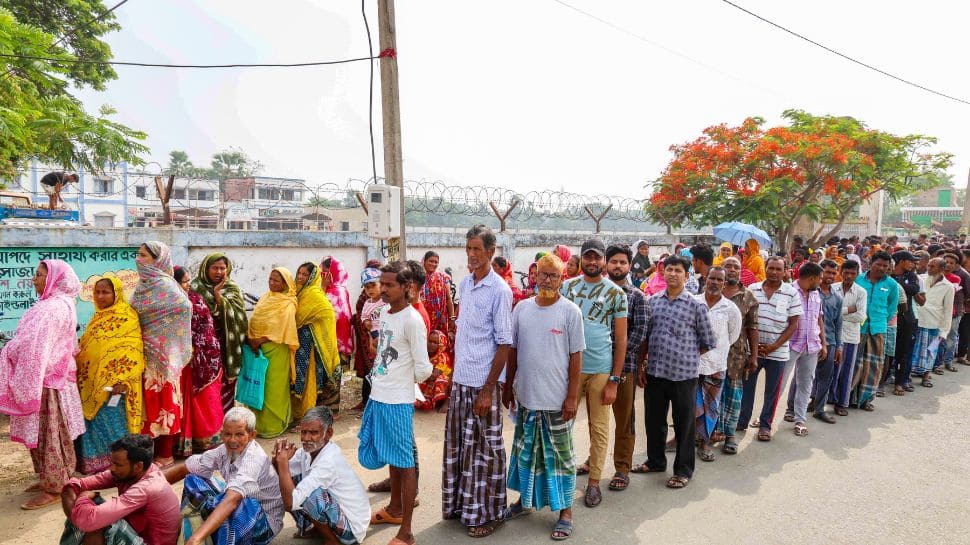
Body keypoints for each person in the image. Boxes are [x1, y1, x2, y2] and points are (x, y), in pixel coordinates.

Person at [503, 254, 584, 540]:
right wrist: (507, 384)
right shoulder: (522, 309)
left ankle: (565, 512)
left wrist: (572, 397)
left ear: (562, 279)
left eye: (554, 275)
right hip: (526, 397)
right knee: (526, 454)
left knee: (561, 458)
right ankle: (523, 502)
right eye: (543, 275)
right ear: (535, 276)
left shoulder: (570, 312)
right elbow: (512, 350)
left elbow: (576, 358)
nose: (548, 280)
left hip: (557, 400)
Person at [443, 225, 513, 537]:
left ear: (490, 252)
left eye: (477, 249)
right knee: (461, 450)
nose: (471, 255)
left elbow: (504, 344)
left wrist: (488, 390)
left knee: (487, 451)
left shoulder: (500, 290)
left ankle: (492, 512)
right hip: (461, 382)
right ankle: (463, 507)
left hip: (483, 385)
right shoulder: (466, 284)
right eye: (468, 248)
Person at [0, 259, 85, 510]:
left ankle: (55, 486)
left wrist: (10, 351)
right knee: (45, 433)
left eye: (39, 275)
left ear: (55, 280)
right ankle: (50, 478)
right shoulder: (54, 304)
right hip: (49, 377)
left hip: (46, 380)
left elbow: (35, 347)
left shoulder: (53, 308)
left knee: (51, 434)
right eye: (35, 275)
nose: (34, 280)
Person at [358, 261, 431, 545]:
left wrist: (402, 379)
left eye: (389, 285)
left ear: (407, 287)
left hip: (398, 401)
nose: (383, 290)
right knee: (392, 458)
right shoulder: (386, 314)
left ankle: (407, 532)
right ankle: (394, 509)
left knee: (405, 463)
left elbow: (423, 368)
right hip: (379, 395)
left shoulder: (413, 321)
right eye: (382, 284)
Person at [638, 256, 716, 489]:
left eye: (678, 270)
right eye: (669, 269)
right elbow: (646, 337)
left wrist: (688, 355)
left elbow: (708, 341)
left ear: (686, 275)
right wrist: (643, 365)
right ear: (663, 273)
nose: (673, 273)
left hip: (684, 376)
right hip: (656, 373)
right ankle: (655, 461)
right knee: (654, 421)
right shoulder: (653, 302)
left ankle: (683, 470)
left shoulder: (696, 305)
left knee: (684, 425)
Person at [561, 238, 628, 507]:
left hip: (601, 369)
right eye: (587, 257)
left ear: (603, 261)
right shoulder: (567, 287)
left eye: (596, 258)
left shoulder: (616, 294)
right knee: (562, 426)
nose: (591, 262)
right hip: (569, 370)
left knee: (598, 429)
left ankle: (593, 483)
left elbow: (621, 339)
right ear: (580, 259)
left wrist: (614, 379)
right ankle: (561, 479)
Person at [165, 407, 284, 545]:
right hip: (234, 501)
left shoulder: (254, 459)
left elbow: (232, 500)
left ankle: (212, 536)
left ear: (252, 435)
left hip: (263, 522)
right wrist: (150, 482)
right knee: (193, 478)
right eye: (228, 434)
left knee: (240, 501)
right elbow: (184, 469)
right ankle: (200, 526)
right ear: (222, 434)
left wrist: (196, 538)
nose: (232, 440)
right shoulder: (223, 450)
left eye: (239, 434)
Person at [130, 241, 192, 468]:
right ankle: (149, 453)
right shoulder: (142, 286)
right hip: (142, 354)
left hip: (164, 357)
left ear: (158, 260)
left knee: (164, 403)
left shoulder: (167, 286)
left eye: (143, 255)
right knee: (147, 405)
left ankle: (165, 454)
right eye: (138, 254)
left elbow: (184, 309)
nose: (138, 259)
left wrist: (165, 337)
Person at [76, 277, 146, 474]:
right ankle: (95, 464)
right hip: (90, 386)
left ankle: (121, 466)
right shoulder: (97, 317)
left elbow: (132, 351)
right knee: (94, 426)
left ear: (116, 293)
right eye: (97, 292)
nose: (100, 296)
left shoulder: (128, 317)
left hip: (116, 387)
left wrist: (123, 381)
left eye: (105, 292)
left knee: (114, 426)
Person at [60, 435, 180, 545]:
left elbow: (91, 520)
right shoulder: (131, 472)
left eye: (118, 464)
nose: (112, 468)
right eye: (112, 463)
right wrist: (79, 515)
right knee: (90, 512)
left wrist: (82, 499)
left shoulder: (147, 487)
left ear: (138, 466)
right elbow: (74, 485)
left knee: (100, 521)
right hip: (137, 534)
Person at [274, 407, 370, 545]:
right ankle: (318, 529)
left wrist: (282, 461)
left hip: (351, 529)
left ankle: (332, 540)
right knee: (287, 479)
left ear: (329, 433)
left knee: (313, 496)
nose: (306, 438)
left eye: (313, 433)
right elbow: (279, 473)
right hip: (339, 514)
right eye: (303, 432)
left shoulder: (329, 462)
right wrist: (278, 456)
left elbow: (290, 503)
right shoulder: (307, 452)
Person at [599, 244, 647, 492]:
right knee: (596, 419)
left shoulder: (637, 297)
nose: (618, 266)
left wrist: (613, 354)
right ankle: (593, 460)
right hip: (594, 367)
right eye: (613, 262)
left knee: (624, 419)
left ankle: (622, 467)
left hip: (624, 367)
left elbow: (639, 335)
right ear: (606, 264)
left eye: (622, 262)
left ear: (629, 266)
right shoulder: (597, 293)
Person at [739, 256, 802, 442]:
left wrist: (775, 345)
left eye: (778, 269)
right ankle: (742, 421)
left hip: (778, 352)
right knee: (747, 388)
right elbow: (745, 319)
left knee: (772, 392)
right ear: (765, 269)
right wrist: (753, 346)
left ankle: (765, 426)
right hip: (753, 352)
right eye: (771, 268)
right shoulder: (753, 289)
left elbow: (793, 324)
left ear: (785, 271)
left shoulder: (791, 293)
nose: (774, 272)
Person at [172, 267, 224, 457]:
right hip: (178, 361)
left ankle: (207, 442)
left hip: (202, 358)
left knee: (202, 401)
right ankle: (182, 444)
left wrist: (196, 351)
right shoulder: (168, 303)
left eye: (188, 281)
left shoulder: (195, 299)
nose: (187, 285)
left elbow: (205, 328)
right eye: (183, 282)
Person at [694, 267, 741, 460]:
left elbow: (733, 336)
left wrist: (716, 351)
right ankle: (683, 439)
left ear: (724, 283)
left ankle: (704, 444)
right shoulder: (694, 302)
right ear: (706, 279)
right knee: (689, 406)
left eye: (719, 280)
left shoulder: (730, 309)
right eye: (711, 278)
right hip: (691, 366)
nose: (714, 282)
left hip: (716, 366)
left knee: (710, 407)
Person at [191, 253, 249, 413]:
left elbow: (240, 318)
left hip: (227, 347)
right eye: (214, 268)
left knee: (226, 387)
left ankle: (225, 423)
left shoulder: (232, 288)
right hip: (204, 349)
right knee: (206, 388)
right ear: (205, 269)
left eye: (222, 268)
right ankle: (208, 427)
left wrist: (217, 295)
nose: (219, 272)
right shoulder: (196, 287)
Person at [713, 257, 759, 455]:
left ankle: (730, 435)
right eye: (727, 266)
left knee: (733, 396)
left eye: (736, 267)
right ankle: (710, 432)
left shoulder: (748, 297)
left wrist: (754, 356)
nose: (731, 270)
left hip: (736, 356)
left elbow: (753, 328)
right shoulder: (712, 292)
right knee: (711, 395)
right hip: (711, 354)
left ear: (741, 271)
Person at [249, 267, 300, 438]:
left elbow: (283, 330)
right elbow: (256, 320)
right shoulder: (266, 297)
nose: (271, 283)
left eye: (276, 280)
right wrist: (252, 340)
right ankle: (258, 425)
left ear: (285, 283)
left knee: (273, 388)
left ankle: (274, 425)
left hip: (277, 349)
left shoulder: (288, 302)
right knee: (258, 385)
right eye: (270, 279)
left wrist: (260, 340)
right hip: (258, 349)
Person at [779, 262, 825, 437]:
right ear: (812, 278)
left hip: (811, 345)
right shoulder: (788, 291)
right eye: (819, 278)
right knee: (779, 383)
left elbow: (819, 319)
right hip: (791, 345)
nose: (821, 282)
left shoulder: (815, 294)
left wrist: (824, 343)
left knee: (806, 384)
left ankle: (800, 419)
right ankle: (766, 418)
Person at [851, 251, 899, 411]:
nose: (881, 268)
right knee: (854, 363)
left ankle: (865, 399)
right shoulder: (858, 280)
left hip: (878, 329)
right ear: (870, 263)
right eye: (878, 264)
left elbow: (892, 308)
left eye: (885, 266)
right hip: (857, 328)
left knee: (873, 365)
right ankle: (848, 397)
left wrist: (880, 322)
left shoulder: (891, 285)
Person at [293, 262, 341, 418]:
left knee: (309, 380)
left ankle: (307, 416)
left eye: (305, 274)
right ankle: (300, 414)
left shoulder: (313, 294)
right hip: (299, 344)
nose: (300, 277)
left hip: (311, 346)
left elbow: (327, 313)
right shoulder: (299, 291)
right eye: (299, 273)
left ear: (312, 277)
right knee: (297, 380)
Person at [802, 260, 842, 425]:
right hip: (809, 340)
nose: (830, 276)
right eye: (827, 272)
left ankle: (819, 409)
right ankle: (793, 408)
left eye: (833, 273)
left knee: (826, 377)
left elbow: (839, 323)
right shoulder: (810, 291)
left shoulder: (837, 298)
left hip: (830, 341)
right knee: (803, 377)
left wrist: (839, 346)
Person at [830, 260, 867, 413]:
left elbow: (860, 316)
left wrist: (838, 313)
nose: (849, 276)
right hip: (832, 336)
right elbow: (826, 313)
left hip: (850, 337)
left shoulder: (861, 292)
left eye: (853, 273)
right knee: (827, 370)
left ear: (857, 274)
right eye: (846, 273)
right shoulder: (832, 289)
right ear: (841, 272)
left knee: (846, 371)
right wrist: (848, 310)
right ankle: (821, 400)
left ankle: (842, 403)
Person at [911, 258, 954, 388]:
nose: (929, 268)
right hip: (918, 320)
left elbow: (947, 310)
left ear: (941, 269)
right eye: (929, 266)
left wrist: (944, 331)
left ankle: (926, 376)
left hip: (934, 324)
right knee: (912, 350)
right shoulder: (920, 278)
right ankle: (907, 375)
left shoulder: (948, 287)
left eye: (933, 267)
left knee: (931, 351)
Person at [883, 251, 921, 396]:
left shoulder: (910, 276)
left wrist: (895, 285)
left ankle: (900, 382)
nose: (913, 264)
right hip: (889, 318)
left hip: (906, 319)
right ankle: (882, 381)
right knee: (887, 352)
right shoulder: (888, 274)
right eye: (910, 261)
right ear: (900, 261)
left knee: (903, 352)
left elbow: (914, 289)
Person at [355, 267, 387, 409]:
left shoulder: (386, 301)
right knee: (378, 367)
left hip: (388, 334)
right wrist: (366, 323)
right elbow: (363, 318)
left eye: (373, 285)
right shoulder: (367, 304)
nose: (370, 290)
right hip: (374, 335)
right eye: (367, 287)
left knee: (386, 367)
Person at [321, 256, 355, 377]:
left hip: (334, 346)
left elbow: (324, 314)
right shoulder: (342, 289)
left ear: (331, 274)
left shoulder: (334, 292)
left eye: (324, 273)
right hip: (341, 345)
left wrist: (323, 288)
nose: (321, 276)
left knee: (331, 382)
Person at [421, 251, 456, 339]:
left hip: (441, 319)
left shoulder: (443, 277)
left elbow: (448, 299)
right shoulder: (418, 278)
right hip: (424, 317)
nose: (433, 264)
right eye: (431, 261)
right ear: (424, 261)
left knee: (439, 343)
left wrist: (452, 318)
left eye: (436, 262)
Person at [417, 330, 453, 412]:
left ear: (441, 344)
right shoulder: (424, 353)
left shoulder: (443, 356)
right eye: (429, 341)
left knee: (440, 380)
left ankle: (444, 402)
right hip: (426, 379)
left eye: (435, 342)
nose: (431, 345)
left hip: (436, 381)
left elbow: (433, 376)